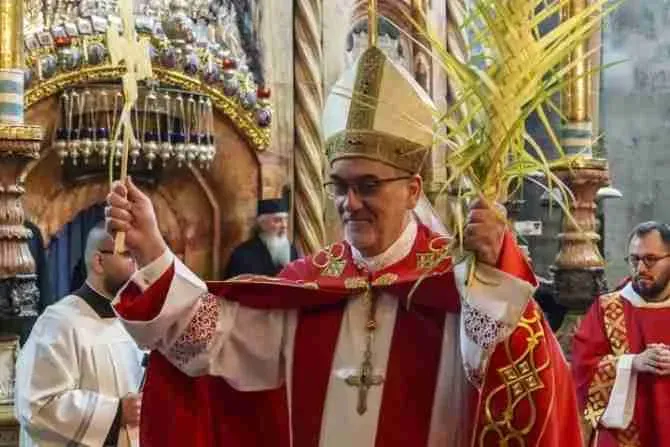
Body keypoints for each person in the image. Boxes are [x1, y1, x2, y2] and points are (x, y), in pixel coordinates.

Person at [105, 43, 582, 446]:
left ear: (412, 190)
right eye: (339, 185)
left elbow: (507, 376)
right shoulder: (310, 284)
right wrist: (154, 250)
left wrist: (497, 271)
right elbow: (214, 341)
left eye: (368, 186)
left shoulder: (455, 285)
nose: (349, 203)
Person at [14, 224, 144, 447]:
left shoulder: (136, 322)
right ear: (98, 261)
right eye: (127, 255)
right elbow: (36, 405)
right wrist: (116, 412)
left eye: (137, 255)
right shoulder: (59, 322)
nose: (137, 265)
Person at [573, 221, 670, 446]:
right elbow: (582, 368)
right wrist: (632, 363)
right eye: (634, 259)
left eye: (651, 259)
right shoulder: (607, 309)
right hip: (622, 436)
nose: (641, 268)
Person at [224, 198, 298, 278]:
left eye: (286, 220)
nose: (284, 225)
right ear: (263, 224)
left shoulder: (291, 250)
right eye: (277, 220)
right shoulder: (243, 254)